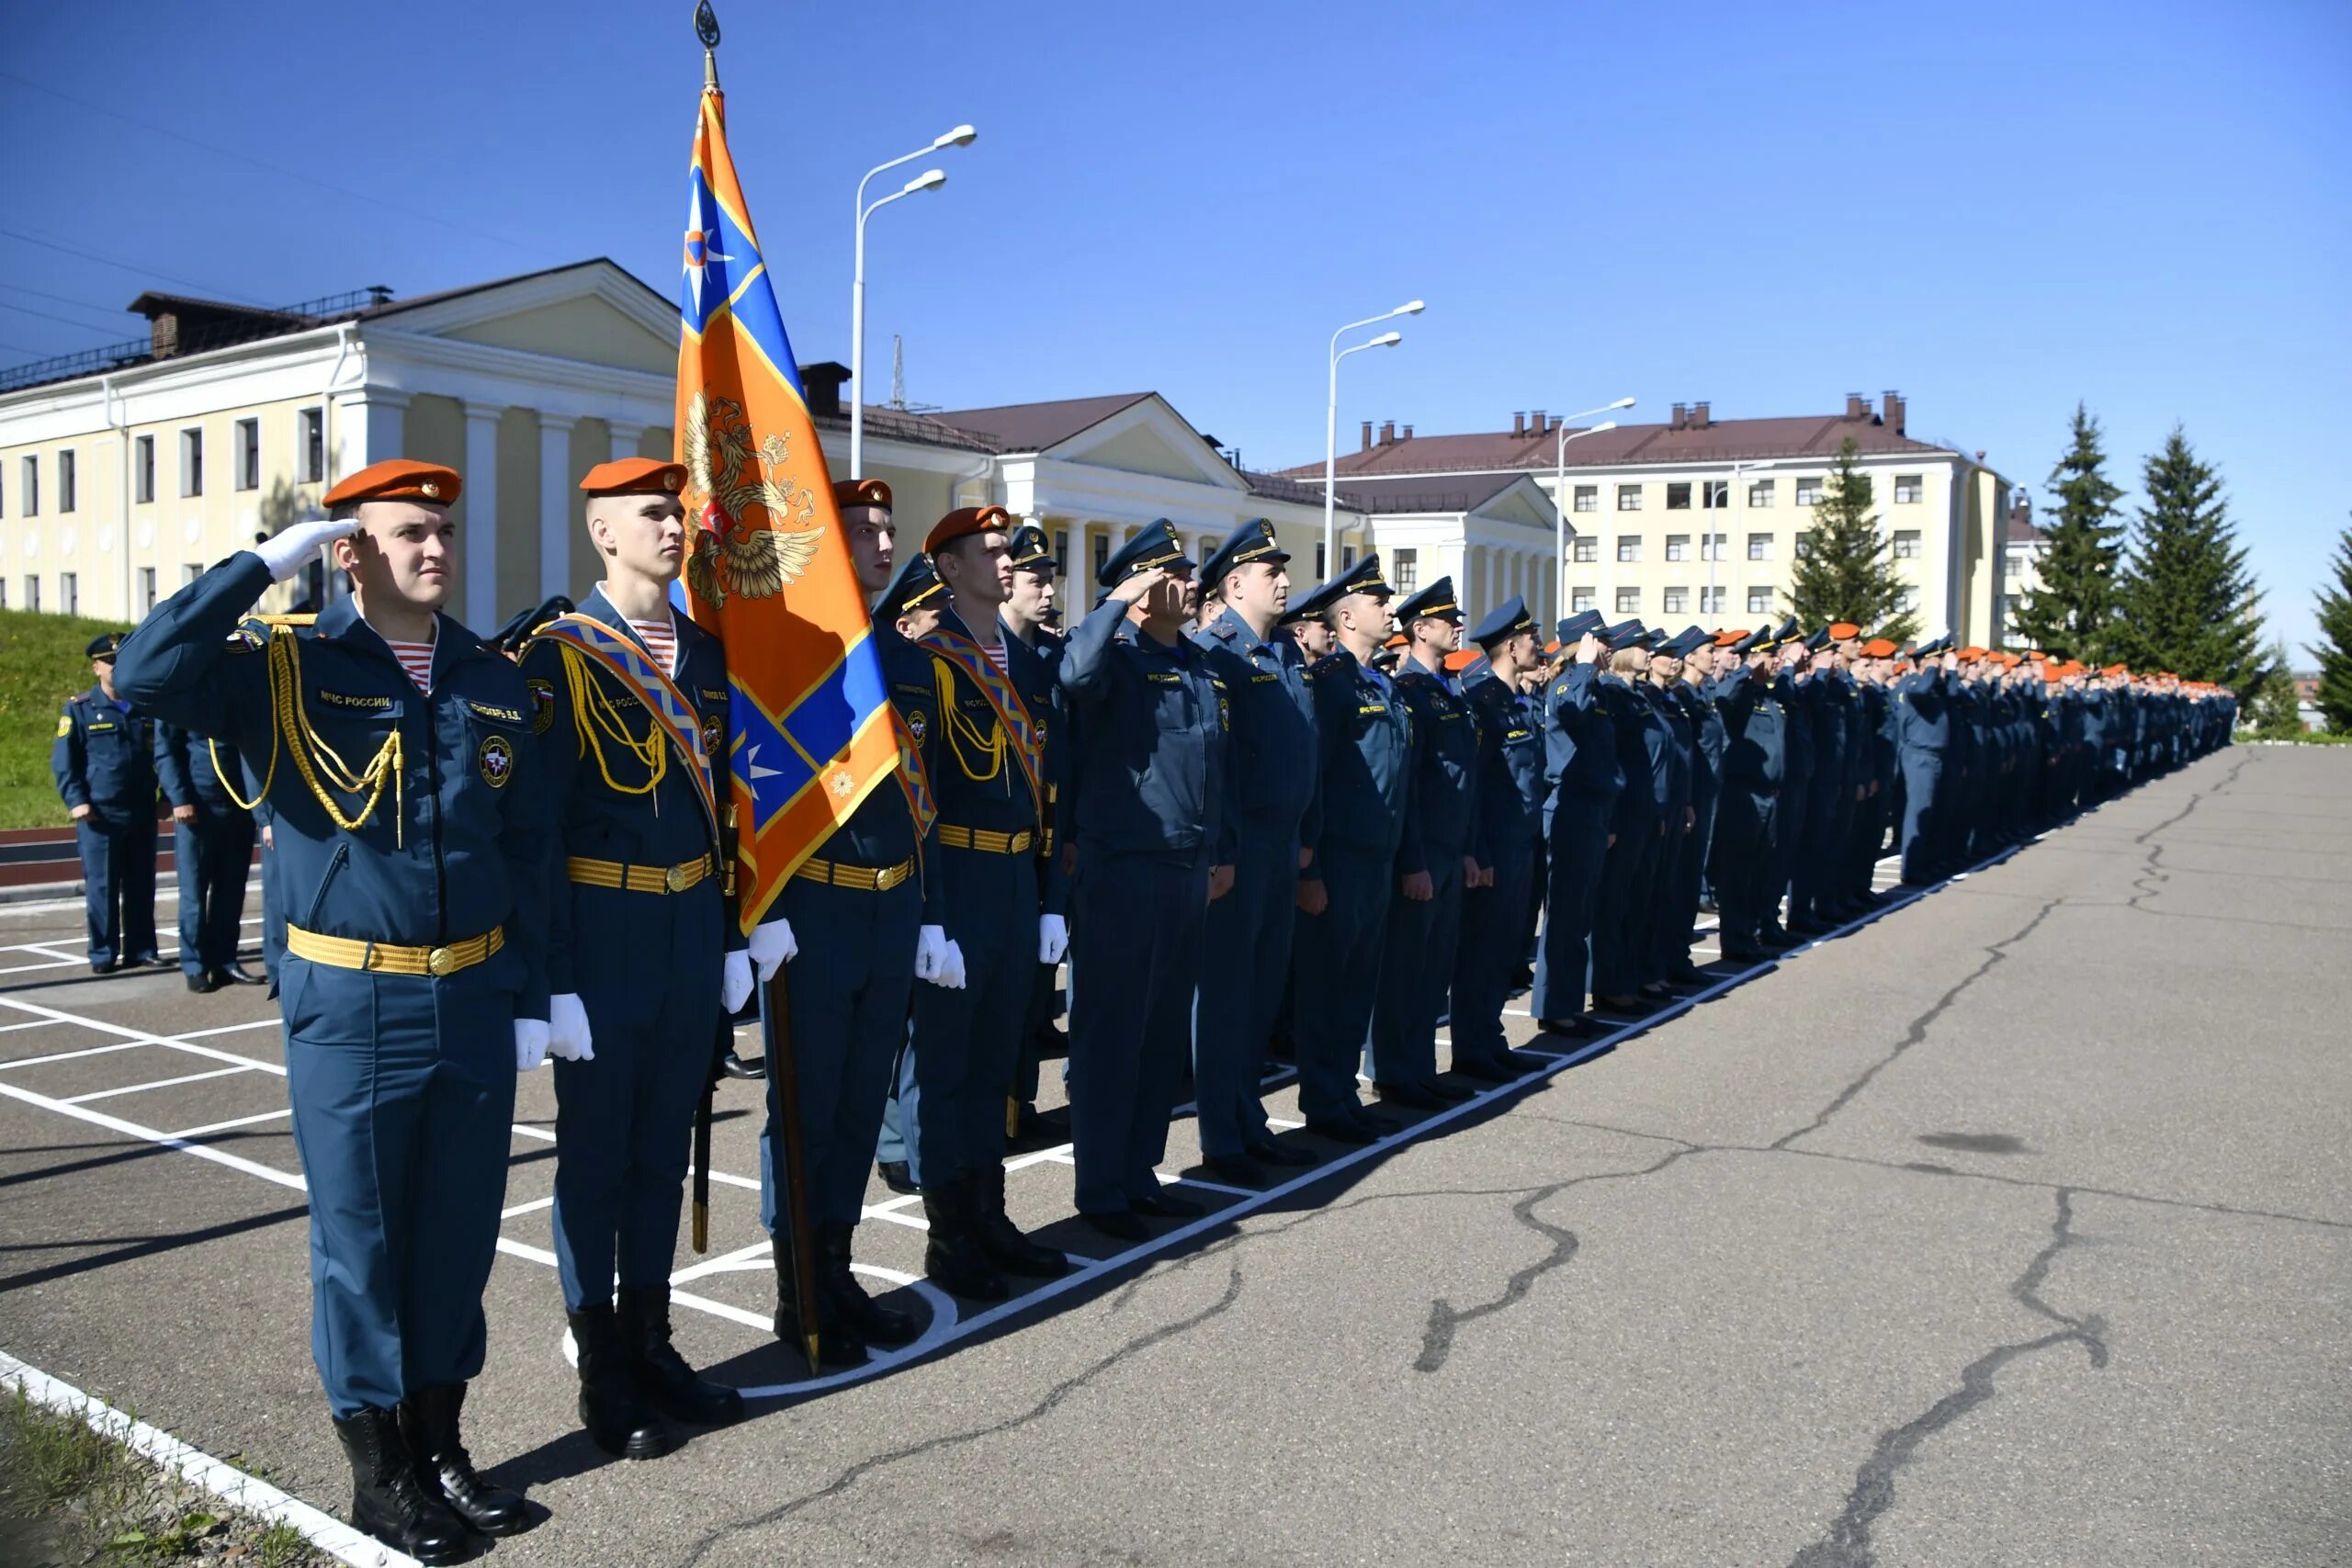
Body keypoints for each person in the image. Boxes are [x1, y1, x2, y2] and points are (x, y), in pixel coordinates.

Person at [112, 459, 549, 1563]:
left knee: (457, 1233)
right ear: (351, 552)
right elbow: (148, 673)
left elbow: (526, 850)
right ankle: (380, 1472)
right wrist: (270, 560)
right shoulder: (285, 668)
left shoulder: (491, 681)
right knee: (362, 1241)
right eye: (407, 532)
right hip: (353, 997)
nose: (436, 547)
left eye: (444, 528)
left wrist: (537, 996)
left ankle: (442, 1443)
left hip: (473, 993)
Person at [517, 457, 763, 1454]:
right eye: (654, 515)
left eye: (680, 513)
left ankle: (653, 1341)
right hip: (602, 935)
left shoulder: (706, 656)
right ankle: (601, 1367)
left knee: (664, 1149)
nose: (679, 528)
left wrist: (733, 933)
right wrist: (553, 978)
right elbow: (533, 832)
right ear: (603, 534)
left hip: (687, 931)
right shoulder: (558, 656)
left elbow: (730, 807)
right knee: (596, 1160)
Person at [741, 477, 940, 1366]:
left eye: (889, 528)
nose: (882, 541)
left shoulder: (904, 659)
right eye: (862, 528)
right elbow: (753, 785)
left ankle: (837, 1262)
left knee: (861, 1102)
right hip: (814, 905)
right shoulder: (793, 651)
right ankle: (798, 1290)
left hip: (890, 904)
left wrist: (924, 910)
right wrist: (764, 909)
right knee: (807, 1104)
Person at [897, 506, 1069, 1298]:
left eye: (1009, 552)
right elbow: (917, 795)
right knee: (947, 1068)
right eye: (990, 553)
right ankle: (950, 1233)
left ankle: (991, 1214)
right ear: (951, 570)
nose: (1007, 564)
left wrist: (1051, 897)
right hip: (957, 882)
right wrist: (930, 913)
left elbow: (1053, 793)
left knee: (999, 1060)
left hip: (1013, 882)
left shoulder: (1031, 668)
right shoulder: (927, 663)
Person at [1062, 520, 1229, 1235]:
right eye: (1175, 573)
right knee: (1112, 1033)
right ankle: (1100, 1189)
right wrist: (1117, 599)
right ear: (1140, 588)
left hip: (1186, 867)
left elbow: (1213, 768)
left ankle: (1139, 1172)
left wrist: (1217, 852)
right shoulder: (1116, 657)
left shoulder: (1196, 663)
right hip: (1124, 868)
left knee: (1161, 1034)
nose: (1192, 582)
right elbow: (1072, 675)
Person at [1189, 519, 1319, 1183]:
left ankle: (1248, 1118)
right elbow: (1218, 767)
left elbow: (1305, 753)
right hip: (1240, 847)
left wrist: (1307, 841)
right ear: (1234, 583)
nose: (1286, 581)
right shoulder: (1219, 653)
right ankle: (1222, 1135)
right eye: (1272, 573)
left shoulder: (1285, 653)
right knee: (1227, 996)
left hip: (1282, 843)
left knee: (1263, 991)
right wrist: (1225, 850)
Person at [1290, 555, 1408, 1144]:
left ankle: (1344, 1090)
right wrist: (1309, 865)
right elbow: (1315, 774)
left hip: (1378, 856)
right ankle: (1322, 1098)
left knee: (1358, 981)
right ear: (1346, 616)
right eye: (1378, 602)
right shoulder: (1331, 684)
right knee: (1326, 984)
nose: (1390, 608)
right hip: (1337, 857)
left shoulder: (1381, 683)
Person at [1368, 577, 1479, 1109]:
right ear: (1421, 629)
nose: (1459, 626)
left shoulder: (1446, 688)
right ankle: (1394, 1070)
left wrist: (1466, 848)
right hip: (1422, 848)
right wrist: (1413, 858)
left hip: (1449, 846)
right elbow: (1408, 784)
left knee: (1434, 967)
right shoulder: (1409, 691)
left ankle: (1419, 1065)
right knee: (1406, 966)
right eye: (1449, 619)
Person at [1450, 595, 1550, 1078]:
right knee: (1481, 950)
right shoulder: (1482, 701)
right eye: (1531, 637)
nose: (1537, 643)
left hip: (1521, 842)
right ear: (1511, 646)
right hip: (1494, 846)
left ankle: (1490, 1037)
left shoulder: (1516, 702)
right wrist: (1479, 850)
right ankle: (1472, 1046)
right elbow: (1477, 786)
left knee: (1504, 947)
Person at [1001, 523, 1070, 1151]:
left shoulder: (1050, 658)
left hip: (1041, 841)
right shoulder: (984, 652)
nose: (1047, 589)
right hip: (990, 843)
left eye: (1050, 578)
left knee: (1028, 991)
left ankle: (1018, 1104)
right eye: (1034, 578)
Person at [52, 634, 164, 976]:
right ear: (96, 667)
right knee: (102, 885)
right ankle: (103, 952)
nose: (117, 669)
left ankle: (141, 948)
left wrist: (167, 798)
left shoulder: (145, 707)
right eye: (111, 663)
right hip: (101, 812)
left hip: (142, 808)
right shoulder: (80, 708)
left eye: (122, 661)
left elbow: (162, 754)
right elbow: (64, 761)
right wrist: (77, 800)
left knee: (141, 883)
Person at [1531, 612, 1620, 1036]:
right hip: (1569, 809)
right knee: (1565, 913)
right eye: (1601, 640)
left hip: (1593, 808)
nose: (1609, 647)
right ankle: (1552, 1005)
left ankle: (1567, 1001)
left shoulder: (1595, 688)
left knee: (1580, 913)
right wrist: (1583, 664)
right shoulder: (1568, 683)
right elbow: (1571, 710)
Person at [153, 718, 262, 991]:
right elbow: (166, 750)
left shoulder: (235, 694)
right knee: (194, 892)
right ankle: (195, 964)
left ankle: (225, 961)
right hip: (198, 808)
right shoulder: (182, 694)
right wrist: (178, 798)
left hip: (239, 805)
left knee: (231, 891)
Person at [1707, 625, 1788, 962]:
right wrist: (1745, 668)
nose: (1779, 661)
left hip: (1769, 794)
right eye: (1772, 655)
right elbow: (1721, 697)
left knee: (1758, 869)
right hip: (1742, 794)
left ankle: (1750, 931)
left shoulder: (1769, 697)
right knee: (1737, 872)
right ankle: (1735, 940)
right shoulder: (1740, 695)